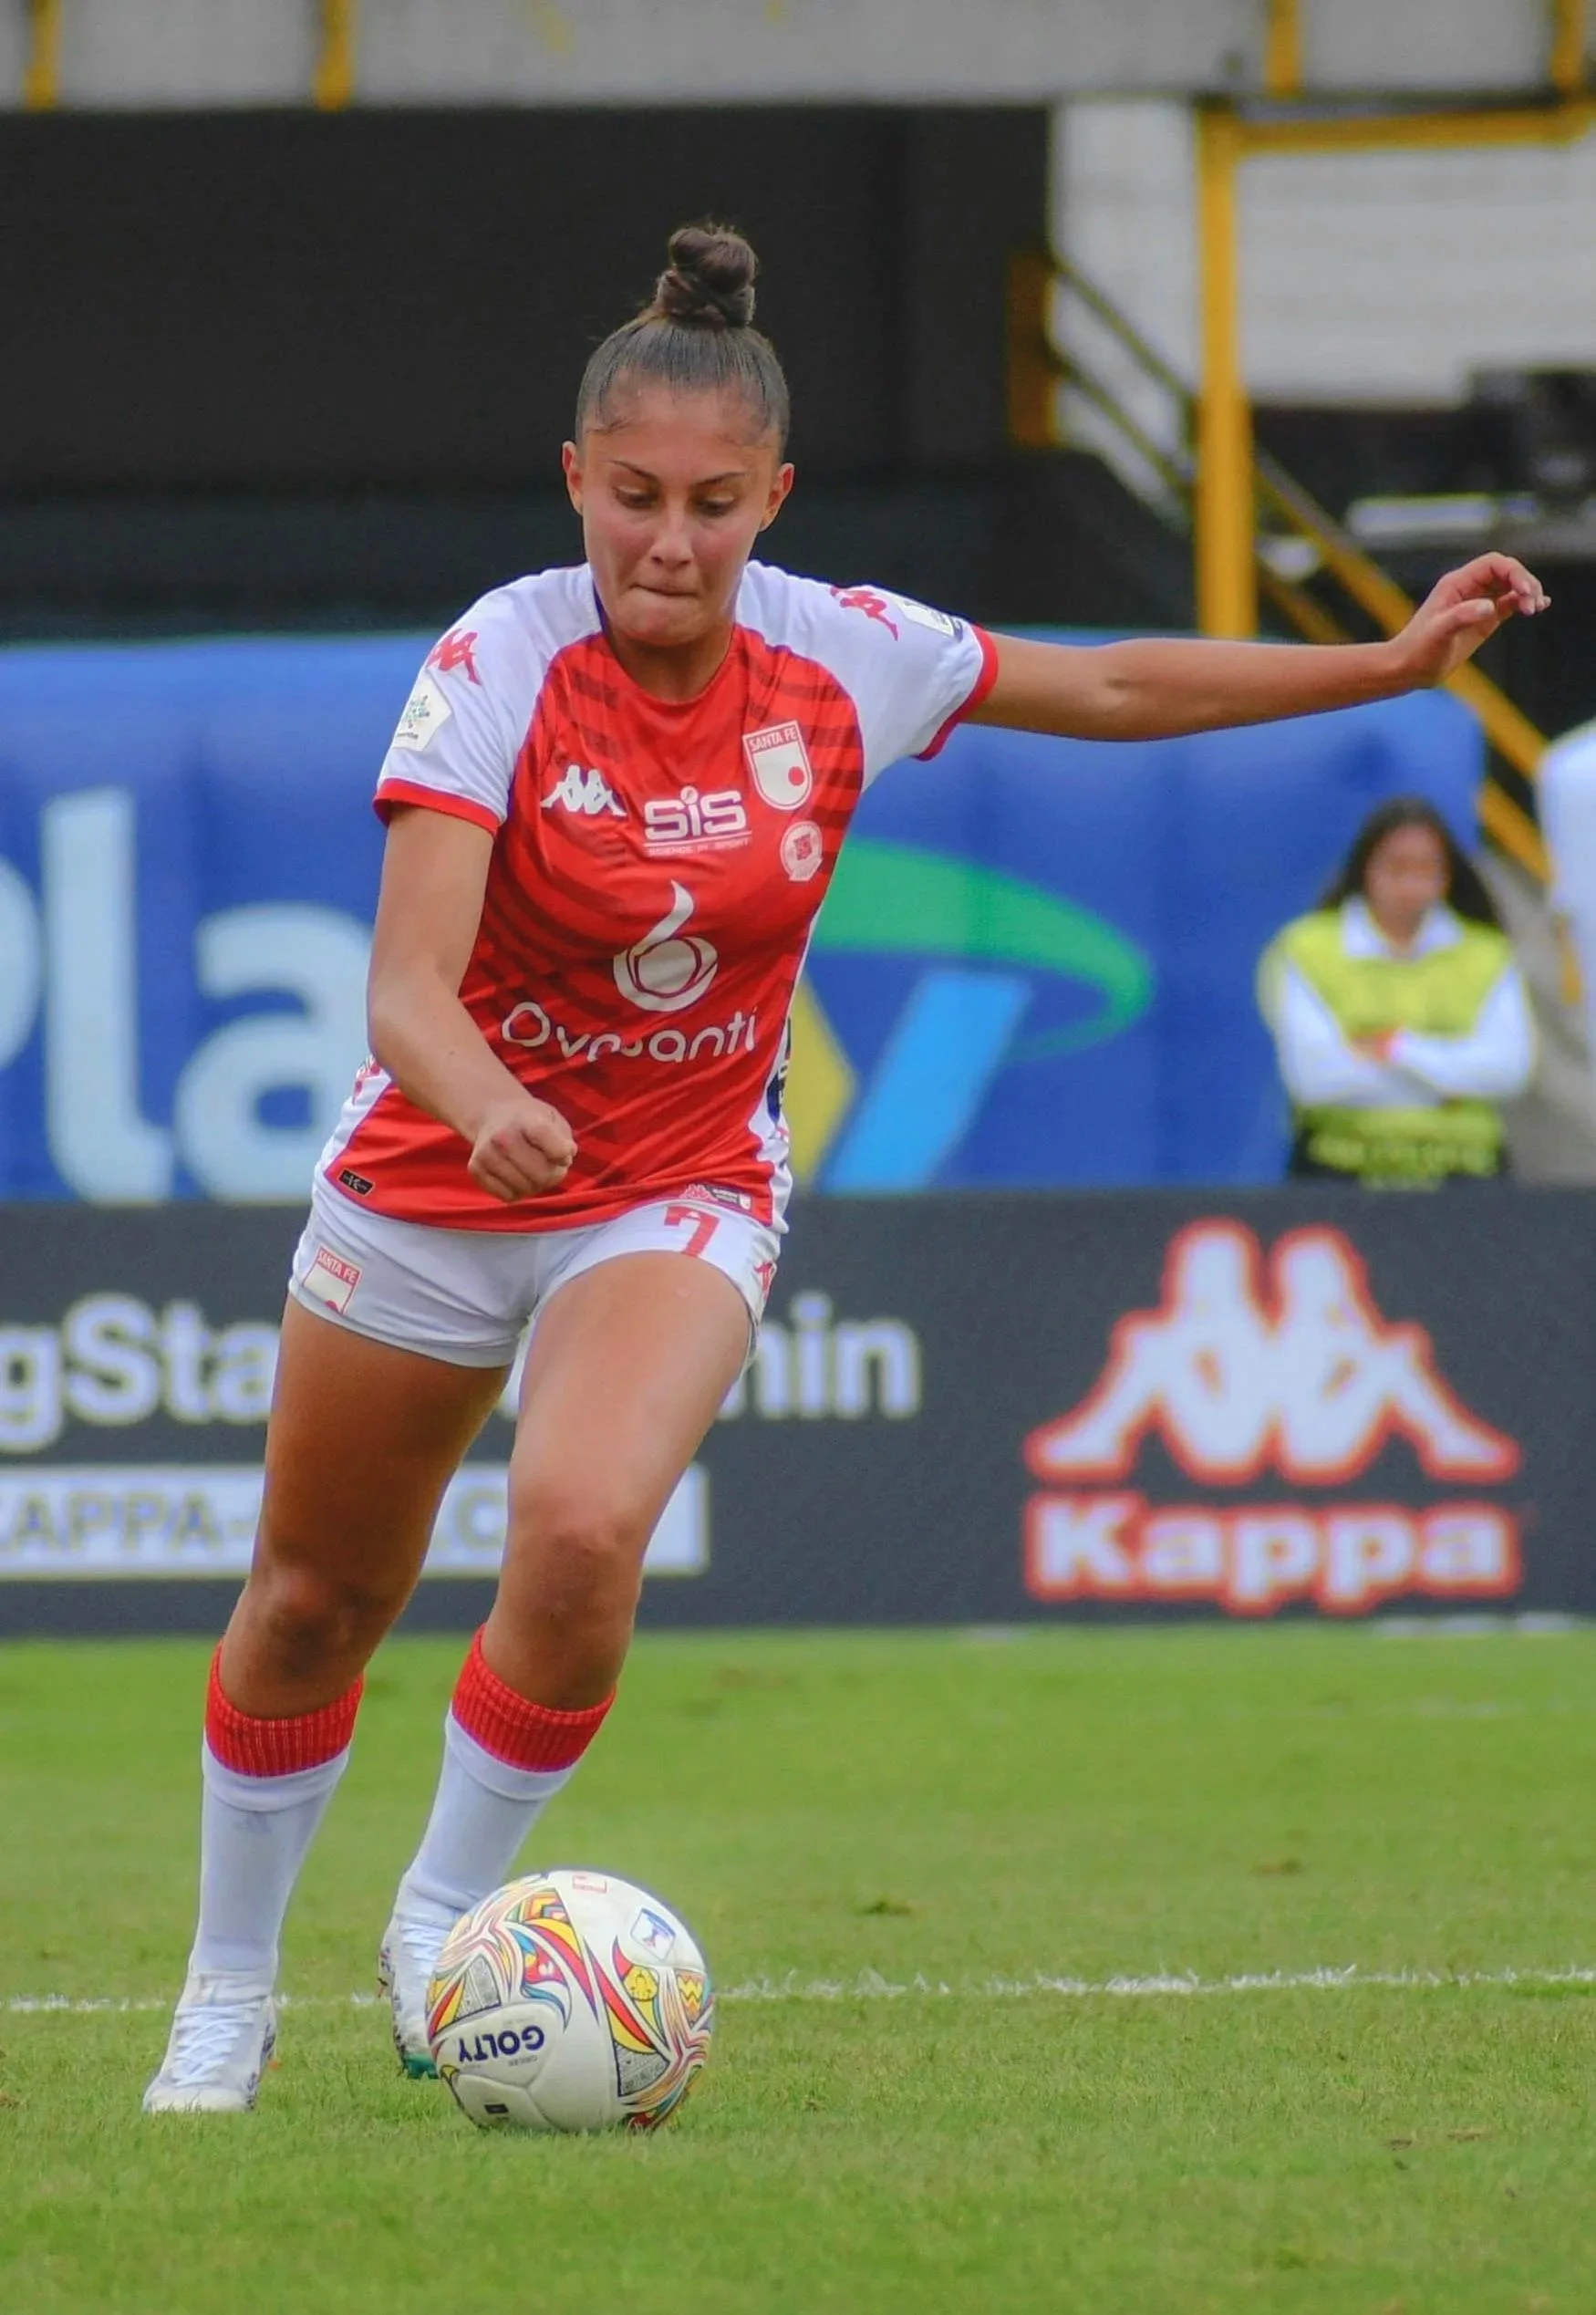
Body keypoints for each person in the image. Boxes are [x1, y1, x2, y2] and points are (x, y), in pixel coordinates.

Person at [141, 222, 1549, 2113]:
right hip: (434, 1173)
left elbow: (1117, 690)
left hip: (674, 1185)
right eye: (632, 498)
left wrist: (1381, 661)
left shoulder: (842, 655)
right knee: (312, 1597)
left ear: (770, 497)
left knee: (573, 1534)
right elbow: (403, 985)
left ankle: (441, 1930)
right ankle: (223, 1992)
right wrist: (481, 1100)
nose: (668, 540)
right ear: (574, 480)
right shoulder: (496, 657)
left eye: (713, 505)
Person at [1257, 796, 1536, 1185]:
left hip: (1465, 1170)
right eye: (1396, 866)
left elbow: (1507, 1070)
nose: (1411, 883)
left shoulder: (1486, 953)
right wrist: (1447, 1085)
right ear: (1365, 868)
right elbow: (1315, 1078)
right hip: (1340, 1168)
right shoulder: (1307, 948)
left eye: (1426, 867)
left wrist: (1394, 1048)